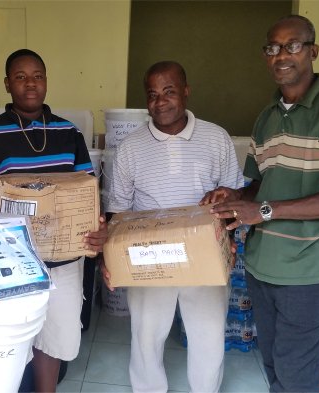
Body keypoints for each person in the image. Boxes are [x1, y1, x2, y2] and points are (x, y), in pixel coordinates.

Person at [200, 15, 319, 392]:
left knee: (297, 376)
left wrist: (265, 211)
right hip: (262, 266)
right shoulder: (266, 119)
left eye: (292, 45)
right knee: (273, 365)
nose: (280, 55)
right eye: (272, 47)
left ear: (313, 51)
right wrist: (237, 198)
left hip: (309, 270)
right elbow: (261, 185)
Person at [0, 49, 107, 393]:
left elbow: (86, 192)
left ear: (46, 81)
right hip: (11, 262)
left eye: (37, 76)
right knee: (11, 342)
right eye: (21, 76)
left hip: (64, 259)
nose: (30, 84)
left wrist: (96, 226)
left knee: (55, 338)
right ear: (7, 84)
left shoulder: (68, 133)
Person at [102, 61, 244, 393]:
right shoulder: (130, 148)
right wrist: (108, 260)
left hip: (204, 256)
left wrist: (231, 244)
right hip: (148, 258)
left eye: (169, 92)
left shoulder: (216, 137)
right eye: (152, 95)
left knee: (208, 337)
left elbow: (233, 197)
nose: (160, 102)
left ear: (185, 91)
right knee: (146, 338)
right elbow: (118, 213)